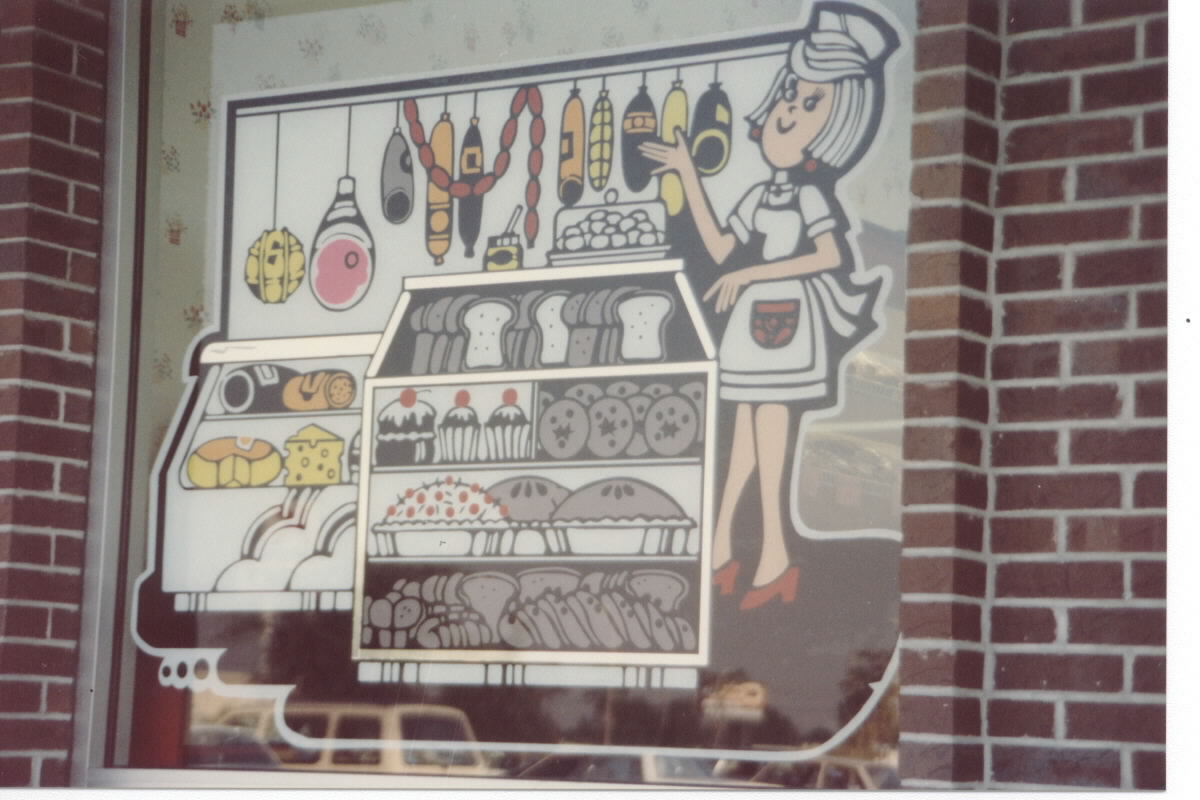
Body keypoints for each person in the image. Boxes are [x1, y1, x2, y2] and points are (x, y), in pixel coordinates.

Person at [640, 2, 899, 610]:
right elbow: (721, 248)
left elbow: (828, 255)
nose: (788, 111)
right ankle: (724, 547)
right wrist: (687, 175)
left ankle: (774, 553)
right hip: (751, 321)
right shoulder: (762, 192)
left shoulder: (810, 195)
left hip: (785, 319)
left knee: (769, 436)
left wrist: (752, 273)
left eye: (811, 103)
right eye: (790, 95)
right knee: (743, 434)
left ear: (836, 125)